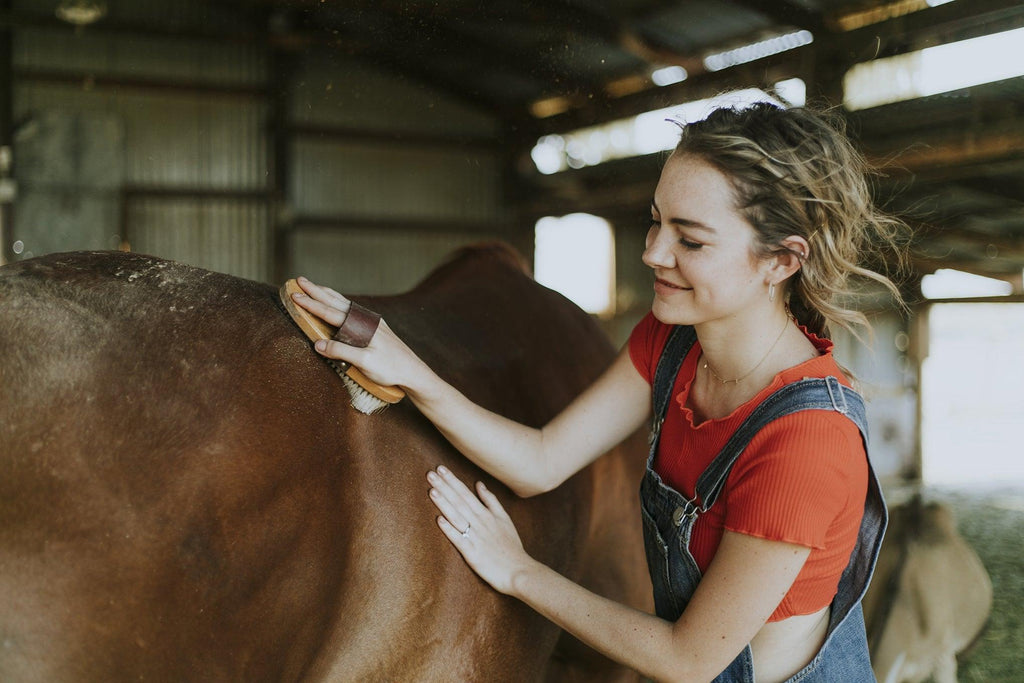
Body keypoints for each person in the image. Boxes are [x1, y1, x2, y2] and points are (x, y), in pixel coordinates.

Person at [290, 100, 909, 683]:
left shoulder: (806, 440)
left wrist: (519, 571)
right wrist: (413, 372)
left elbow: (687, 658)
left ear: (781, 260)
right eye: (655, 222)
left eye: (690, 240)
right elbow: (540, 460)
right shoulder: (672, 345)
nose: (653, 253)